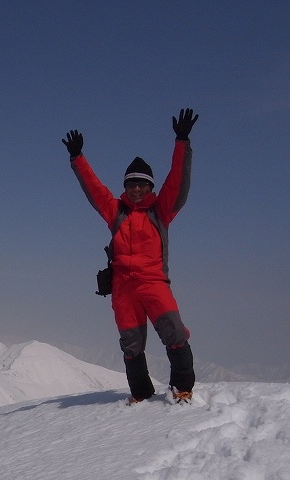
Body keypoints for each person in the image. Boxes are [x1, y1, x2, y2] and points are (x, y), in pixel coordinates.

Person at [62, 108, 199, 404]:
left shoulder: (160, 212)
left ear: (150, 186)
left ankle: (182, 387)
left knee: (174, 332)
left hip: (153, 283)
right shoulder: (116, 212)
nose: (136, 189)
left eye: (142, 184)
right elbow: (95, 190)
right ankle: (140, 393)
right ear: (125, 187)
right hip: (123, 288)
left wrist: (182, 142)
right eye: (131, 184)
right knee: (131, 343)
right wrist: (78, 159)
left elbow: (178, 182)